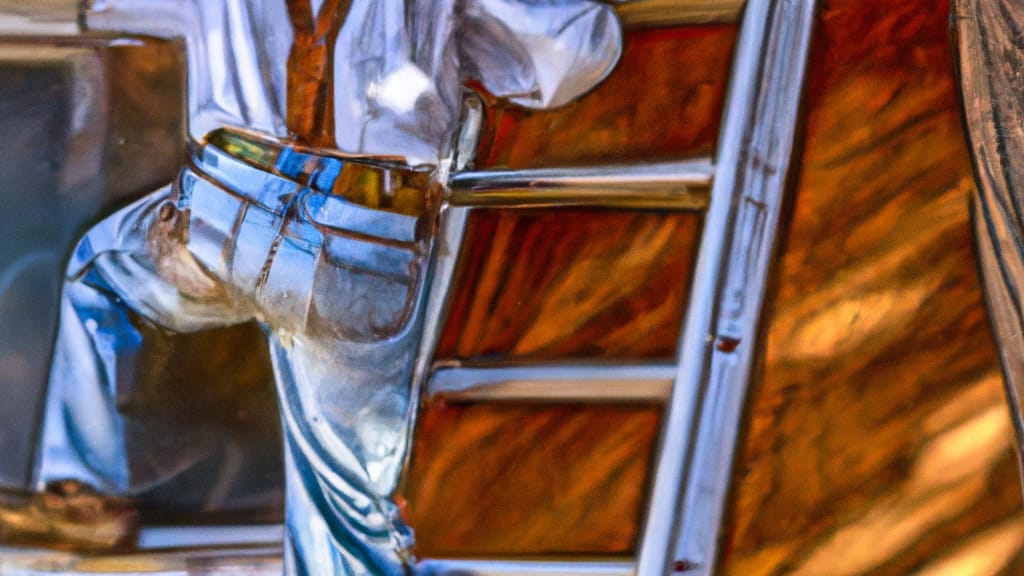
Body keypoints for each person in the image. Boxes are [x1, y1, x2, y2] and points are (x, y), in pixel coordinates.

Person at [36, 0, 622, 573]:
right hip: (362, 232)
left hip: (223, 210)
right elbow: (575, 50)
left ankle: (82, 494)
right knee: (343, 513)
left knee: (99, 275)